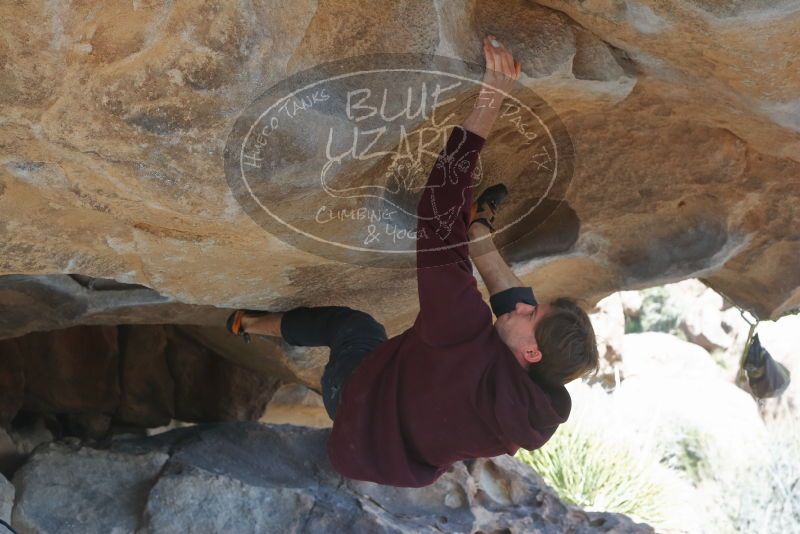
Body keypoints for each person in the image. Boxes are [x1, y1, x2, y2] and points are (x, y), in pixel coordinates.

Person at [226, 35, 600, 488]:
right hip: (387, 456)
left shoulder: (461, 336)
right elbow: (505, 334)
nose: (525, 304)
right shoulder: (532, 412)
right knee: (500, 315)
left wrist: (492, 95)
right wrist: (477, 241)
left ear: (532, 352)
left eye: (532, 312)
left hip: (353, 406)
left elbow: (438, 212)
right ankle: (480, 233)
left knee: (353, 327)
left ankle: (246, 323)